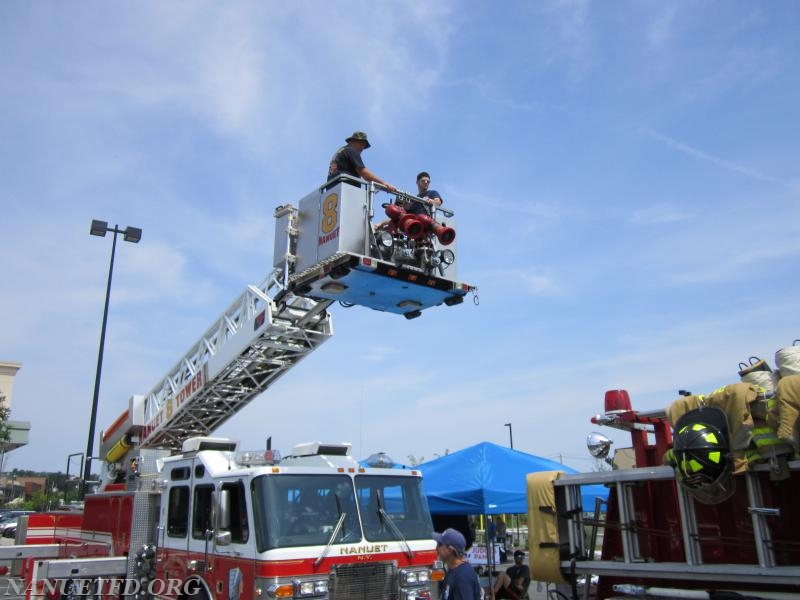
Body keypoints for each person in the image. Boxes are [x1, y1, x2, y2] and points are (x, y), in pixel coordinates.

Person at [327, 131, 396, 192]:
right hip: (346, 190)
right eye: (360, 143)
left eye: (364, 145)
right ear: (351, 142)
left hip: (332, 190)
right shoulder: (351, 151)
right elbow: (364, 174)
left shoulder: (341, 151)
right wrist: (384, 183)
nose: (362, 147)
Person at [434, 528, 482, 600]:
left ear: (449, 550)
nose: (436, 548)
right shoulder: (452, 570)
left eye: (439, 544)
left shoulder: (463, 578)